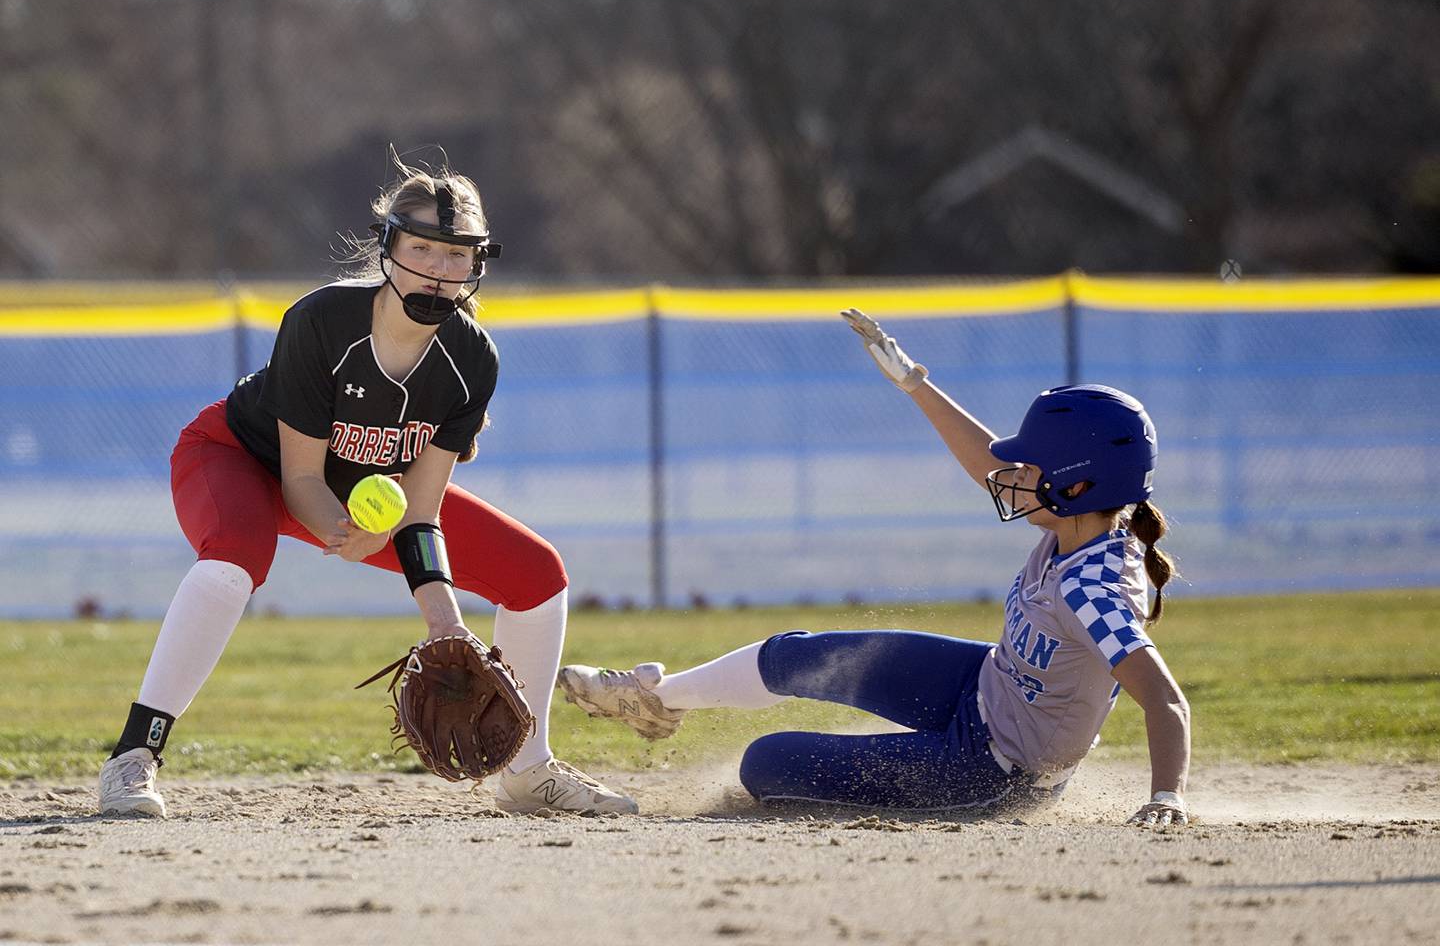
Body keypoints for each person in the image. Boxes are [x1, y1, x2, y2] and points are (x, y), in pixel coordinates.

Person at [98, 153, 637, 817]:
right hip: (242, 457)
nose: (441, 271)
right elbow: (299, 477)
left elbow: (421, 510)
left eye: (458, 255)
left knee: (536, 573)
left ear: (478, 263)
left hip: (361, 493)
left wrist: (447, 624)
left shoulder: (471, 358)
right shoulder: (323, 320)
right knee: (238, 553)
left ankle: (528, 772)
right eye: (423, 250)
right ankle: (134, 756)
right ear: (388, 248)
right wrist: (339, 531)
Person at [557, 309, 1191, 825]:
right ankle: (651, 700)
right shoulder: (1085, 527)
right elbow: (986, 459)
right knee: (796, 655)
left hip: (993, 768)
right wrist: (914, 381)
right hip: (984, 686)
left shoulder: (1092, 587)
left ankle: (667, 707)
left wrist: (1167, 799)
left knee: (766, 765)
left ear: (1077, 487)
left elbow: (1166, 701)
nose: (1009, 477)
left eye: (1029, 469)